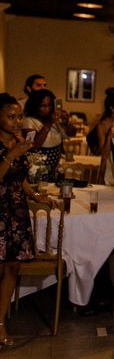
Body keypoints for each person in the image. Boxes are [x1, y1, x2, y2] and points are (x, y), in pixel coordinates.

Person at [0, 94, 55, 344]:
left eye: (18, 116)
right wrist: (11, 154)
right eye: (11, 116)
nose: (16, 121)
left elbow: (18, 175)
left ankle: (0, 325)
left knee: (13, 266)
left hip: (16, 210)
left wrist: (34, 194)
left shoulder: (18, 140)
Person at [22, 89, 65, 182]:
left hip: (53, 171)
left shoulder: (52, 119)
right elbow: (34, 145)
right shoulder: (29, 121)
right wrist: (48, 124)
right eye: (43, 106)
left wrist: (64, 122)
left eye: (50, 105)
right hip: (38, 172)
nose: (47, 109)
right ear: (35, 106)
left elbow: (64, 136)